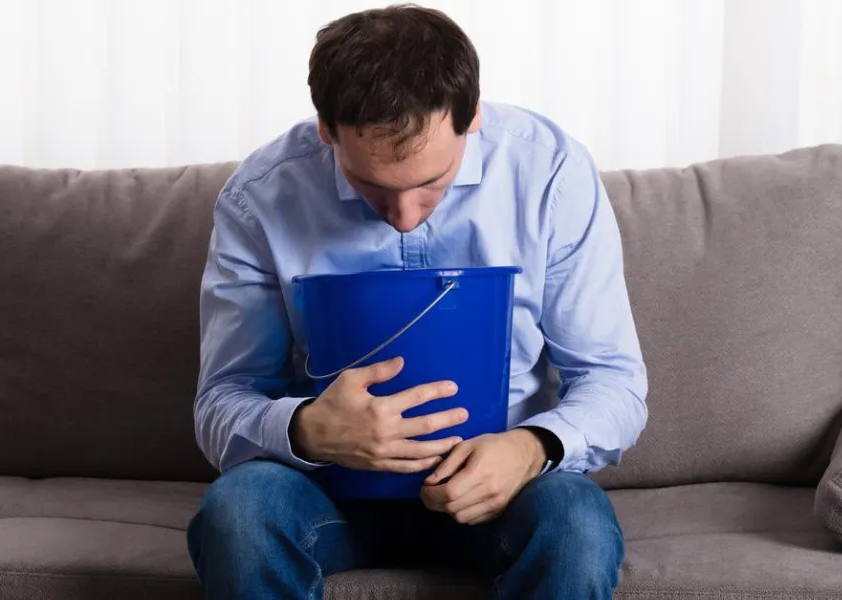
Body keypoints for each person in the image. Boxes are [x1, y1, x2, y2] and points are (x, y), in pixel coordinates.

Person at [187, 5, 648, 599]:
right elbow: (221, 398)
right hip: (325, 490)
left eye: (432, 182)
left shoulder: (550, 173)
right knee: (238, 514)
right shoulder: (260, 196)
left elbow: (612, 379)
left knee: (575, 523)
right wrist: (304, 429)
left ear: (471, 117)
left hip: (504, 491)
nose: (403, 218)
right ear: (327, 129)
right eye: (372, 186)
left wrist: (533, 447)